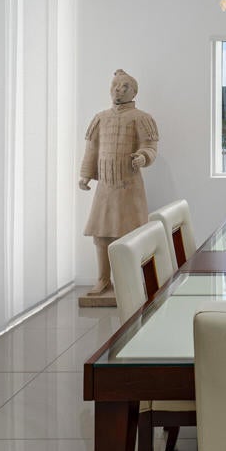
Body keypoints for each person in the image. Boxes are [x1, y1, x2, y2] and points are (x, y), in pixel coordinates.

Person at [79, 69, 159, 296]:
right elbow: (92, 149)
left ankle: (131, 280)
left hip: (129, 186)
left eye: (125, 87)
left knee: (131, 234)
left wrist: (143, 157)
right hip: (105, 186)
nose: (119, 90)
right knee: (101, 234)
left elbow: (150, 147)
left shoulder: (141, 118)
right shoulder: (100, 118)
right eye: (115, 85)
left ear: (134, 92)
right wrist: (85, 175)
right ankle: (103, 279)